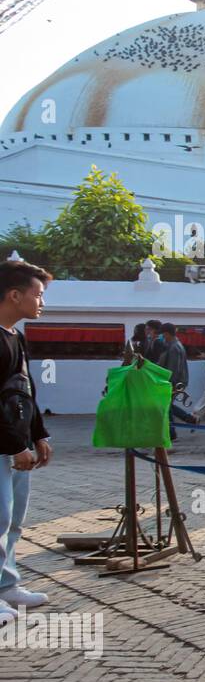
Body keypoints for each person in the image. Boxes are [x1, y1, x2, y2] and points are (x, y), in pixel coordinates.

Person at [0, 260, 53, 627]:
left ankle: (7, 585)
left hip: (18, 445)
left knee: (12, 519)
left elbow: (24, 389)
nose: (41, 303)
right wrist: (13, 444)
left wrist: (38, 433)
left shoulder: (16, 336)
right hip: (4, 446)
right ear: (14, 294)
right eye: (38, 294)